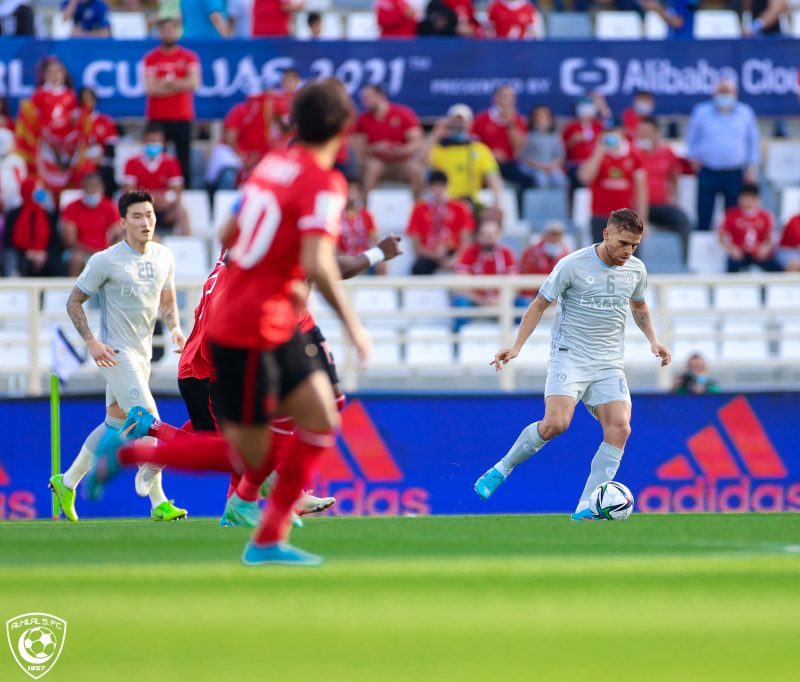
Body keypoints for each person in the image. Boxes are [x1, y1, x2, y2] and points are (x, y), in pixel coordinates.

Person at [89, 79, 372, 567]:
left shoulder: (270, 166)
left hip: (260, 315)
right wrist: (353, 327)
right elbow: (318, 260)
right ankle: (132, 455)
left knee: (322, 415)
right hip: (253, 324)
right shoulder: (325, 182)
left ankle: (265, 533)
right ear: (343, 128)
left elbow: (228, 232)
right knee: (248, 454)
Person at [474, 208, 671, 520]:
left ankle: (587, 506)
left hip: (608, 363)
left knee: (620, 428)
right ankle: (502, 468)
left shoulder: (636, 270)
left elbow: (639, 305)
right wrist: (516, 346)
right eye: (623, 243)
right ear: (606, 234)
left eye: (634, 245)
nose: (628, 251)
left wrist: (653, 340)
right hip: (570, 356)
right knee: (556, 424)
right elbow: (539, 304)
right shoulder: (572, 265)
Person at [49, 189, 188, 523]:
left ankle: (66, 483)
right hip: (116, 354)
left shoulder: (163, 257)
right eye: (137, 216)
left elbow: (167, 302)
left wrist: (175, 329)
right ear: (123, 222)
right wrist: (92, 343)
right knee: (147, 418)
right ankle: (158, 500)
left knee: (114, 422)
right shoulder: (105, 260)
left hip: (142, 356)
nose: (145, 222)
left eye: (150, 215)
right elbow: (73, 301)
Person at [686, 79, 760, 232]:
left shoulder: (745, 113)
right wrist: (693, 157)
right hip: (708, 170)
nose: (725, 95)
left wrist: (752, 165)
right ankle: (703, 250)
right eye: (722, 91)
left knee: (733, 217)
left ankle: (730, 252)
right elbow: (692, 138)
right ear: (714, 93)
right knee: (704, 214)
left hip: (734, 172)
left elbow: (753, 141)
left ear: (736, 94)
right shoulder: (701, 112)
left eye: (728, 92)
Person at [143, 18, 200, 187]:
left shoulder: (189, 57)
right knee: (158, 160)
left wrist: (167, 84)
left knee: (183, 159)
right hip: (158, 117)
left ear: (177, 32)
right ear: (159, 33)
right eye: (164, 30)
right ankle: (158, 193)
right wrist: (179, 85)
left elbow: (194, 83)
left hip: (182, 116)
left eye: (171, 30)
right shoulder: (151, 58)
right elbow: (151, 88)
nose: (168, 34)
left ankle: (185, 194)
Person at [578, 123, 648, 244]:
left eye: (613, 132)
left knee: (627, 259)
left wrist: (643, 220)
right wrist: (599, 153)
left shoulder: (634, 153)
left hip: (627, 217)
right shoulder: (595, 151)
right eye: (606, 132)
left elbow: (641, 190)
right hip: (601, 215)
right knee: (601, 258)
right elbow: (584, 178)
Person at [428, 104, 503, 213]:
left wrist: (496, 201)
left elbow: (492, 176)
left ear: (469, 123)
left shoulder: (479, 149)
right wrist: (435, 134)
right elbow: (421, 162)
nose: (458, 125)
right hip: (446, 204)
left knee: (492, 220)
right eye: (455, 121)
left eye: (462, 121)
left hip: (471, 202)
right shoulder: (439, 148)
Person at [634, 117, 690, 262]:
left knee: (682, 220)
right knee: (629, 225)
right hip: (636, 206)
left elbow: (674, 176)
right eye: (640, 132)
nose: (643, 136)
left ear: (656, 133)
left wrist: (674, 196)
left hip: (660, 205)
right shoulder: (633, 153)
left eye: (646, 132)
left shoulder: (667, 153)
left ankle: (681, 262)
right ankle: (634, 266)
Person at [354, 85, 425, 198]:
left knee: (416, 171)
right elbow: (359, 147)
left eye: (368, 97)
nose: (365, 101)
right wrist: (375, 148)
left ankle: (414, 206)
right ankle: (369, 207)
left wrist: (402, 150)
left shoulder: (402, 113)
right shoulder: (363, 120)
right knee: (372, 168)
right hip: (379, 161)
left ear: (381, 96)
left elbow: (417, 141)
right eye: (364, 98)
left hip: (401, 161)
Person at [452, 219, 523, 330]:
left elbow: (515, 285)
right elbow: (461, 285)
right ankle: (458, 342)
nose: (489, 237)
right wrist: (482, 300)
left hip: (501, 300)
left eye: (492, 234)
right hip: (475, 300)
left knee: (524, 304)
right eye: (485, 234)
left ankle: (520, 343)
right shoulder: (469, 253)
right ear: (479, 235)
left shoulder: (507, 254)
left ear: (499, 235)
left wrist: (500, 300)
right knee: (461, 303)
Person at [123, 123, 190, 235]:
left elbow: (177, 191)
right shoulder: (132, 163)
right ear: (143, 142)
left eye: (156, 142)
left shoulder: (171, 162)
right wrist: (150, 199)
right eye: (150, 141)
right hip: (141, 209)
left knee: (181, 212)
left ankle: (188, 248)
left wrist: (168, 200)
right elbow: (128, 191)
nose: (153, 145)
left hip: (164, 208)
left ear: (163, 143)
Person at [406, 169, 475, 275]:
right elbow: (416, 246)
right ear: (428, 187)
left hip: (454, 252)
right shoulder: (419, 209)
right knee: (418, 269)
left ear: (446, 186)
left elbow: (466, 241)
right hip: (429, 254)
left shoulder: (460, 208)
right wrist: (434, 255)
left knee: (468, 267)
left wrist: (455, 259)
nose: (437, 190)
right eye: (434, 186)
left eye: (441, 186)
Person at [60, 171, 121, 276]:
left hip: (105, 251)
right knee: (76, 259)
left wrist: (105, 251)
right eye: (88, 186)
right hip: (80, 251)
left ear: (102, 187)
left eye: (95, 186)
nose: (92, 189)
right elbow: (70, 240)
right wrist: (92, 251)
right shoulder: (72, 208)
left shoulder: (110, 207)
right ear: (82, 188)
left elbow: (117, 233)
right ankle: (75, 290)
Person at [471, 86, 530, 188]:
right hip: (485, 163)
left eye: (511, 97)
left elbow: (519, 146)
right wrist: (490, 153)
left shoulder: (518, 120)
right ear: (495, 98)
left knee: (528, 181)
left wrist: (511, 124)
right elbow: (472, 144)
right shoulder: (481, 119)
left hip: (508, 164)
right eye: (505, 96)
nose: (508, 100)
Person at [718, 184, 782, 273]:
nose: (748, 200)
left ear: (757, 199)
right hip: (740, 253)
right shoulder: (731, 215)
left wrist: (765, 247)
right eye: (745, 197)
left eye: (752, 197)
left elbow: (770, 236)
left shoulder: (765, 215)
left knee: (778, 269)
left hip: (758, 252)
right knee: (732, 268)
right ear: (740, 198)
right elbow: (721, 236)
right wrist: (732, 248)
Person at [561, 94, 611, 188]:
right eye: (583, 107)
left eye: (589, 106)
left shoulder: (599, 126)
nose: (586, 110)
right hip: (576, 164)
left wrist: (603, 107)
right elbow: (561, 150)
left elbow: (613, 127)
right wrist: (572, 141)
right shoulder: (570, 127)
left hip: (597, 163)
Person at [338, 182, 384, 274]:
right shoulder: (336, 215)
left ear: (360, 194)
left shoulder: (366, 215)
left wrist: (379, 256)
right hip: (342, 259)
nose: (351, 194)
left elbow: (374, 239)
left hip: (363, 259)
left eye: (355, 191)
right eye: (349, 191)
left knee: (382, 266)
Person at [518, 220, 571, 300]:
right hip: (533, 295)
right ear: (545, 236)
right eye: (551, 235)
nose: (554, 239)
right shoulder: (531, 253)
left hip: (556, 297)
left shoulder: (566, 255)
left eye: (557, 236)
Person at [519, 105, 567, 189]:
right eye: (539, 117)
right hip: (533, 167)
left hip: (552, 167)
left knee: (560, 179)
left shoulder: (555, 136)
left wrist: (553, 165)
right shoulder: (528, 136)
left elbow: (560, 155)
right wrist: (540, 166)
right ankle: (542, 202)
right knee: (541, 180)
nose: (542, 120)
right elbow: (524, 156)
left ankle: (559, 201)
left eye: (546, 117)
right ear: (533, 119)